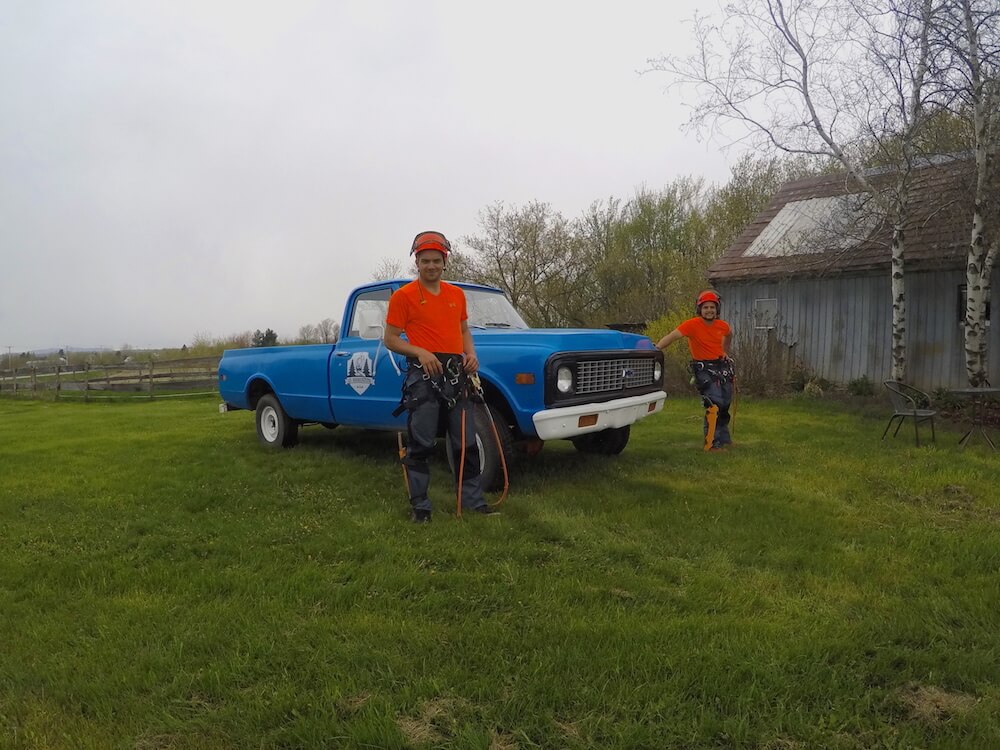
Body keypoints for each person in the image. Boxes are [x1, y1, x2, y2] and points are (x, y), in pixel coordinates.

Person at [383, 230, 498, 522]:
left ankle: (473, 501)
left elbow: (463, 331)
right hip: (424, 375)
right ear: (417, 263)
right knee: (421, 443)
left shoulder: (456, 295)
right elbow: (391, 339)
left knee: (465, 441)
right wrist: (420, 352)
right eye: (425, 261)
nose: (431, 266)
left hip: (456, 374)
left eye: (436, 260)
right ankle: (420, 507)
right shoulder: (403, 297)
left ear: (444, 262)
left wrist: (471, 355)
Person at [653, 290, 735, 451]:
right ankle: (711, 443)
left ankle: (724, 439)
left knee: (725, 403)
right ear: (700, 309)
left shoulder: (722, 326)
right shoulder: (691, 325)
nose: (709, 310)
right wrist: (656, 348)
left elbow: (729, 335)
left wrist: (725, 352)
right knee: (714, 403)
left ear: (717, 309)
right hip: (704, 369)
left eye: (712, 307)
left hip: (721, 367)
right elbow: (672, 336)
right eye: (705, 307)